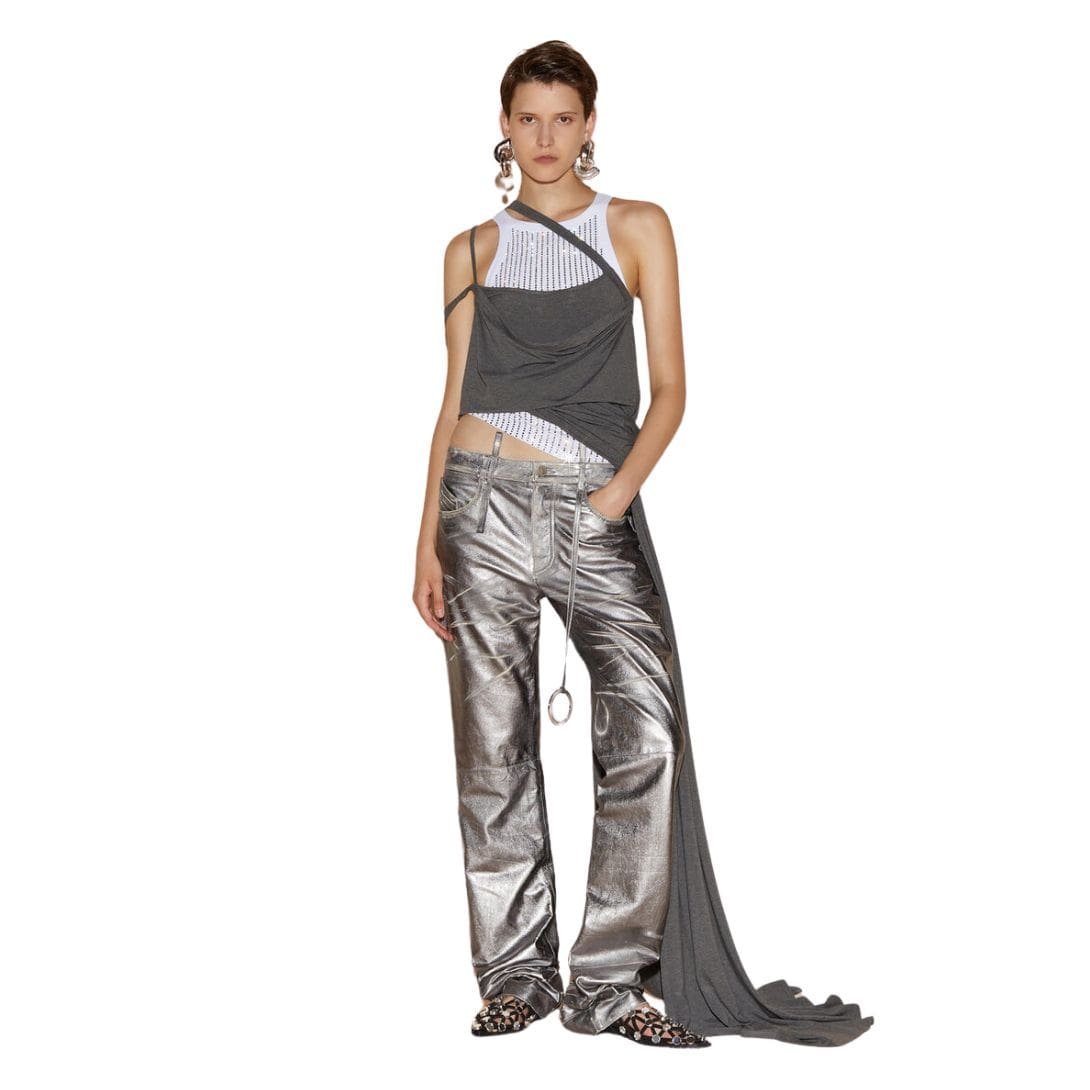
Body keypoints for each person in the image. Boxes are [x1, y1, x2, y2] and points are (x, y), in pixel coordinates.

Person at [414, 40, 874, 1050]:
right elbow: (451, 401)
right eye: (526, 118)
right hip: (476, 506)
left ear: (589, 124)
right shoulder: (469, 250)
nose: (543, 137)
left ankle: (609, 982)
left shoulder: (636, 226)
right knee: (491, 745)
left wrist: (615, 496)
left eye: (561, 118)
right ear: (504, 126)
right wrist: (425, 545)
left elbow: (669, 387)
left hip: (589, 500)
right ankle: (512, 975)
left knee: (647, 728)